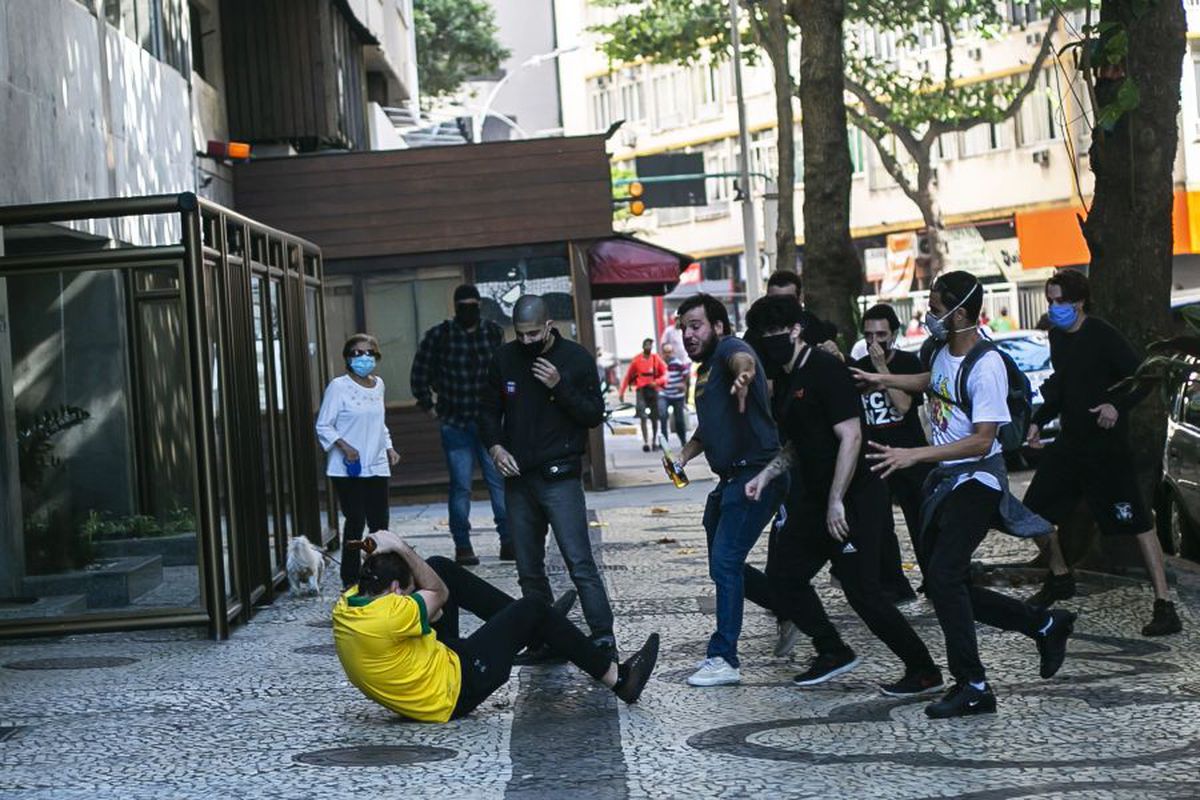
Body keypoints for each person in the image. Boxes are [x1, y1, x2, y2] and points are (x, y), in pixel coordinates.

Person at [856, 270, 1075, 719]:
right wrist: (883, 380)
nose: (928, 317)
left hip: (977, 480)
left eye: (935, 309)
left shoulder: (987, 364)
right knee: (945, 583)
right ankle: (1045, 624)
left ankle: (973, 684)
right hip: (948, 481)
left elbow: (981, 440)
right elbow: (932, 382)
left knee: (944, 576)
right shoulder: (941, 351)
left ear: (959, 313)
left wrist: (913, 454)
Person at [741, 296, 943, 695]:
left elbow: (850, 436)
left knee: (863, 592)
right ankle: (831, 649)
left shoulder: (825, 370)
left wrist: (836, 500)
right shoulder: (785, 379)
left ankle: (923, 669)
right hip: (815, 498)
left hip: (854, 495)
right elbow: (800, 442)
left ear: (797, 330)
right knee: (783, 578)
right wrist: (766, 475)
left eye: (778, 332)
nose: (771, 340)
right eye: (764, 335)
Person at [332, 531, 660, 723]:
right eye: (407, 591)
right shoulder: (392, 614)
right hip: (454, 691)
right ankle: (619, 679)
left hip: (425, 670)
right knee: (531, 608)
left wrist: (387, 558)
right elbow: (440, 594)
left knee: (437, 567)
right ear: (393, 591)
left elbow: (422, 584)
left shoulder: (349, 604)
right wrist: (401, 546)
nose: (411, 594)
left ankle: (540, 634)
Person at [1023, 269, 1182, 636]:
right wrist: (1038, 419)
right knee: (1029, 513)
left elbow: (1146, 377)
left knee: (1139, 525)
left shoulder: (1102, 335)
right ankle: (1060, 576)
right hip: (1070, 446)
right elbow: (1062, 386)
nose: (1054, 307)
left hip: (1107, 450)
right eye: (1049, 301)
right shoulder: (1057, 338)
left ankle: (1165, 605)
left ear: (1079, 302)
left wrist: (1116, 406)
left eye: (1059, 300)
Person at [480, 295, 618, 660]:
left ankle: (603, 637)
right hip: (518, 477)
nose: (526, 341)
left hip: (560, 477)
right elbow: (488, 411)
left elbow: (592, 415)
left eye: (533, 334)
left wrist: (559, 385)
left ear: (548, 325)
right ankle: (543, 637)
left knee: (580, 561)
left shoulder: (575, 359)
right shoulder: (504, 358)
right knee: (528, 568)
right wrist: (495, 447)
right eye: (520, 334)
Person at [673, 294, 788, 686]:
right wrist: (684, 456)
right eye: (683, 328)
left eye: (695, 325)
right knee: (724, 565)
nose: (688, 334)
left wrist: (745, 374)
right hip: (730, 481)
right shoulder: (705, 370)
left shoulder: (729, 350)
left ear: (718, 326)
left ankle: (724, 657)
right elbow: (710, 427)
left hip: (756, 475)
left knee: (725, 562)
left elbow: (745, 360)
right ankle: (793, 610)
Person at [411, 284, 509, 566]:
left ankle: (508, 540)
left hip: (489, 423)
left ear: (479, 306)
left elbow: (502, 373)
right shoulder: (439, 336)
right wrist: (429, 407)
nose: (469, 311)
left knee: (499, 483)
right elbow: (419, 374)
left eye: (473, 306)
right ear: (455, 307)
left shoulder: (492, 333)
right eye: (464, 306)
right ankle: (463, 546)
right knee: (461, 487)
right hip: (455, 422)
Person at [851, 304, 928, 604]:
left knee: (921, 520)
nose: (875, 342)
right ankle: (895, 584)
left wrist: (882, 370)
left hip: (909, 453)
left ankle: (935, 580)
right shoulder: (858, 366)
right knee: (880, 525)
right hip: (874, 457)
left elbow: (904, 406)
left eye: (881, 334)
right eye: (869, 335)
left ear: (894, 334)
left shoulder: (909, 363)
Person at [316, 334, 401, 588]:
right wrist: (344, 445)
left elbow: (379, 422)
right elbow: (323, 424)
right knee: (355, 521)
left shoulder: (379, 385)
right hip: (347, 467)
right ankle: (351, 577)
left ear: (376, 356)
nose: (363, 358)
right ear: (347, 358)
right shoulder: (338, 387)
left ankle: (380, 574)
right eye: (356, 353)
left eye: (369, 353)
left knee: (379, 523)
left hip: (376, 463)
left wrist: (389, 447)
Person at [765, 270, 840, 354]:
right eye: (776, 301)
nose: (782, 307)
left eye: (788, 301)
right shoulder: (756, 331)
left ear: (800, 299)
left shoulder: (811, 324)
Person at [619, 338, 668, 452]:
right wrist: (622, 391)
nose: (648, 347)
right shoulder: (637, 360)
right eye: (646, 344)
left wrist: (657, 382)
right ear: (643, 346)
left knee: (654, 418)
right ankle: (646, 442)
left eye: (650, 345)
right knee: (643, 416)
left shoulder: (656, 359)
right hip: (641, 390)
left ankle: (654, 441)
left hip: (653, 389)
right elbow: (628, 376)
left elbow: (665, 373)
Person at [658, 342, 691, 447]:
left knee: (679, 420)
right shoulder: (659, 364)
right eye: (665, 352)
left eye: (670, 352)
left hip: (677, 395)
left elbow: (687, 374)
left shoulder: (678, 363)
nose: (668, 354)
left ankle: (683, 440)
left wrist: (683, 384)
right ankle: (665, 443)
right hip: (663, 394)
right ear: (662, 353)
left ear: (673, 352)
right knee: (662, 415)